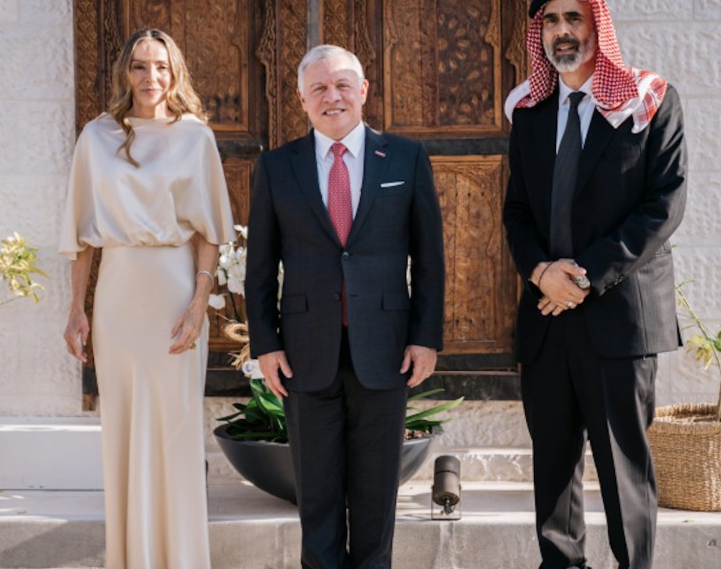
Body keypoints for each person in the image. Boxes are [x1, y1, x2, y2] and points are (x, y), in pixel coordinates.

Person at [502, 0, 687, 568]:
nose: (562, 32)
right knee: (553, 476)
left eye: (572, 18)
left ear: (596, 26)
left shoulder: (649, 101)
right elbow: (516, 213)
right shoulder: (530, 112)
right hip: (546, 320)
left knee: (623, 476)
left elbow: (664, 205)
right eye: (550, 21)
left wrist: (580, 278)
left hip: (617, 317)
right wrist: (540, 273)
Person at [245, 45, 445, 568]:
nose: (332, 97)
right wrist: (265, 345)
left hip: (385, 354)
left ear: (364, 92)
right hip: (305, 357)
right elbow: (261, 268)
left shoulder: (405, 158)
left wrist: (425, 338)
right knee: (318, 500)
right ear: (302, 99)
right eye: (319, 88)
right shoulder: (275, 167)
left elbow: (429, 260)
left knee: (377, 501)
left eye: (342, 86)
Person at [59, 28, 234, 569]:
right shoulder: (96, 136)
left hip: (175, 288)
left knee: (175, 427)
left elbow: (210, 231)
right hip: (117, 295)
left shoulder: (196, 136)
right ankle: (130, 557)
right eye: (139, 66)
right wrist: (75, 310)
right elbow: (81, 234)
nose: (150, 77)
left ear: (175, 71)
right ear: (125, 72)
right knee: (124, 428)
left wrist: (200, 301)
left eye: (160, 66)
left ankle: (180, 558)